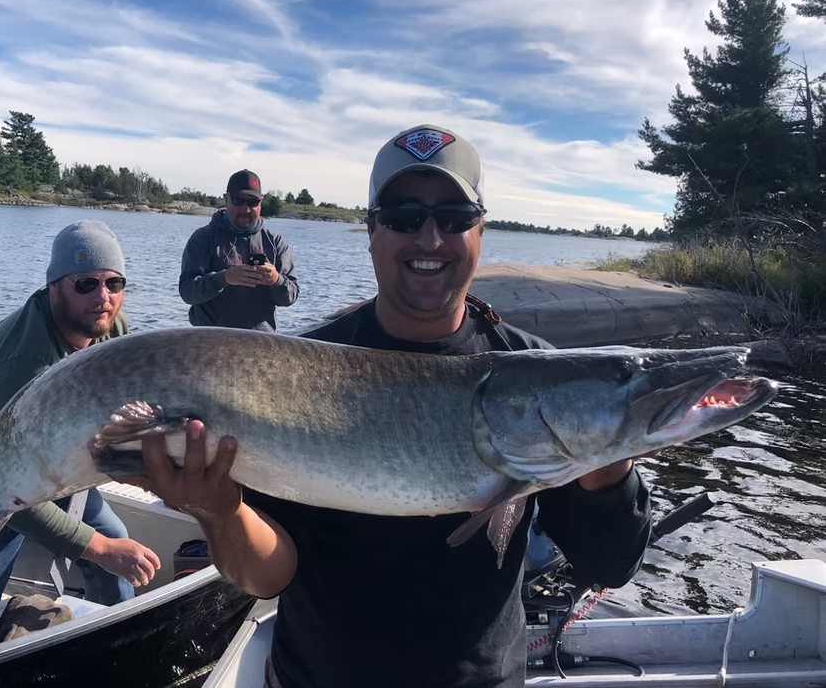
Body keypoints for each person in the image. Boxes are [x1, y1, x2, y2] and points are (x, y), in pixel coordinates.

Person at [125, 126, 652, 687]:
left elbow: (610, 565)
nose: (430, 238)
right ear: (371, 230)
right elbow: (267, 576)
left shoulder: (537, 372)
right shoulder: (298, 367)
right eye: (404, 217)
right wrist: (220, 512)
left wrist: (611, 451)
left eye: (453, 217)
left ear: (480, 231)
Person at [0, 220, 161, 627]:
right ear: (54, 286)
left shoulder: (110, 330)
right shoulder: (23, 364)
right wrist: (99, 548)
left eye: (114, 283)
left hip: (46, 460)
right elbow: (3, 490)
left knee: (117, 538)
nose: (103, 297)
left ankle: (114, 629)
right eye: (85, 284)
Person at [178, 169, 299, 331]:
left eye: (252, 202)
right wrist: (224, 278)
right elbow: (188, 292)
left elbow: (291, 296)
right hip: (210, 342)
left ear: (260, 203)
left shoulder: (276, 243)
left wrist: (276, 280)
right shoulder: (203, 239)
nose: (245, 209)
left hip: (262, 344)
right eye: (238, 201)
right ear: (226, 199)